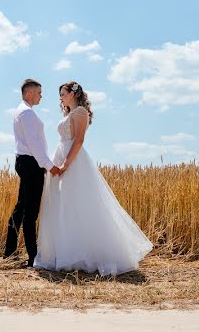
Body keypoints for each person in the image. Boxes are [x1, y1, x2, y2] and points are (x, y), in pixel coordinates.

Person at [33, 81, 153, 275]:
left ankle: (89, 254)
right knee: (64, 206)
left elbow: (79, 140)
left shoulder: (80, 112)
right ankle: (67, 252)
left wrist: (66, 164)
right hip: (62, 155)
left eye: (62, 94)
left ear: (72, 94)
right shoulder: (69, 114)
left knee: (80, 204)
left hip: (74, 161)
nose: (60, 98)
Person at [4, 79, 62, 267]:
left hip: (26, 162)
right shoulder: (27, 113)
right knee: (30, 212)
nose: (41, 96)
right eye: (39, 92)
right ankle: (33, 257)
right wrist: (48, 165)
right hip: (31, 163)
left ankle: (10, 253)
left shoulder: (23, 111)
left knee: (21, 209)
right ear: (29, 93)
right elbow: (33, 142)